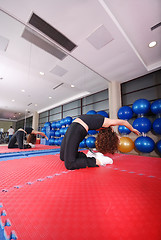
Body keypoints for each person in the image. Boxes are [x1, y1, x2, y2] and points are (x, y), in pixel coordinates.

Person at [60, 114, 140, 170]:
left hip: (77, 130)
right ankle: (89, 156)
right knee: (63, 157)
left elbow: (112, 133)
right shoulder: (107, 122)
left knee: (70, 164)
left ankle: (98, 161)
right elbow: (124, 122)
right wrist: (132, 129)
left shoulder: (104, 124)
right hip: (73, 127)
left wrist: (116, 137)